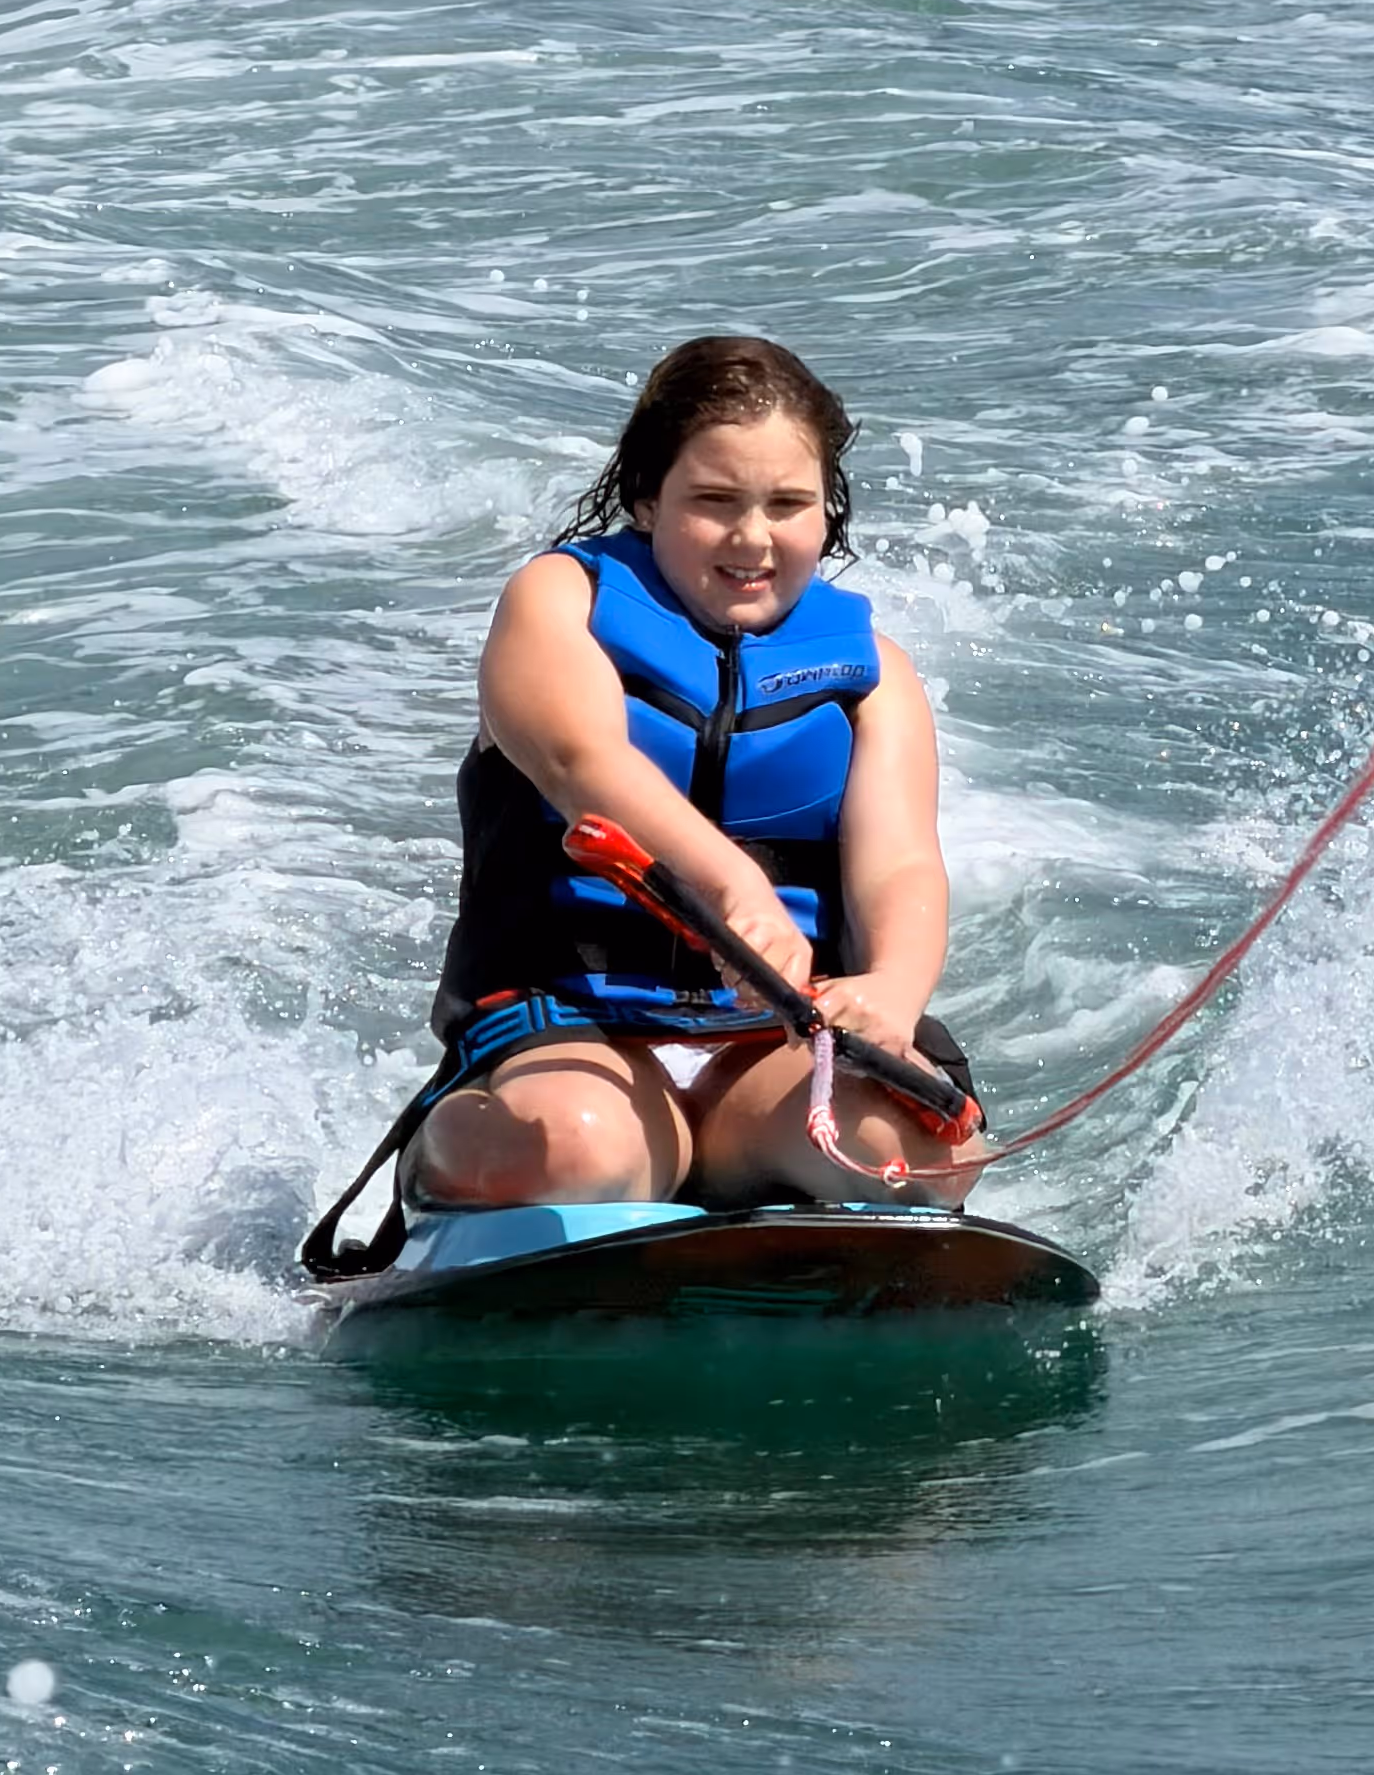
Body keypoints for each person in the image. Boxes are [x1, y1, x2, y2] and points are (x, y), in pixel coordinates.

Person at [408, 335, 983, 1214]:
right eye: (714, 501)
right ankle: (467, 1161)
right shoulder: (560, 603)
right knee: (575, 1152)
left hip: (770, 1044)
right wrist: (732, 885)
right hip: (572, 1029)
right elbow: (579, 762)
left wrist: (892, 994)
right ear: (646, 497)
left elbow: (901, 865)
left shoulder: (874, 675)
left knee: (915, 1155)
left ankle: (712, 1169)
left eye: (789, 504)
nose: (753, 537)